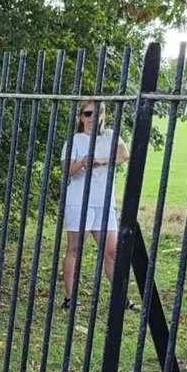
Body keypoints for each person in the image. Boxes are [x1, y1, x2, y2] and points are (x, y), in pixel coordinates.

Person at [61, 99, 132, 311]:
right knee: (74, 249)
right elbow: (66, 170)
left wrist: (101, 161)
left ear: (102, 115)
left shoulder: (109, 136)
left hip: (104, 203)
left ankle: (120, 298)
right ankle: (70, 299)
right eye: (87, 114)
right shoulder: (74, 140)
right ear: (81, 118)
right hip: (79, 202)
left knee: (112, 252)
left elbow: (124, 154)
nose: (91, 118)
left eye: (95, 113)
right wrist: (82, 163)